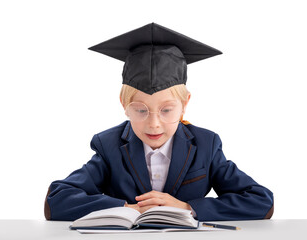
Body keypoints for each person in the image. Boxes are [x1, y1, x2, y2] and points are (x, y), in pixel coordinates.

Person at [44, 23, 274, 221]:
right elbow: (56, 199)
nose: (154, 124)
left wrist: (187, 208)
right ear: (124, 105)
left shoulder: (206, 145)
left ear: (185, 105)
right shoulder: (109, 146)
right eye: (141, 110)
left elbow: (261, 201)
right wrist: (126, 209)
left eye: (166, 110)